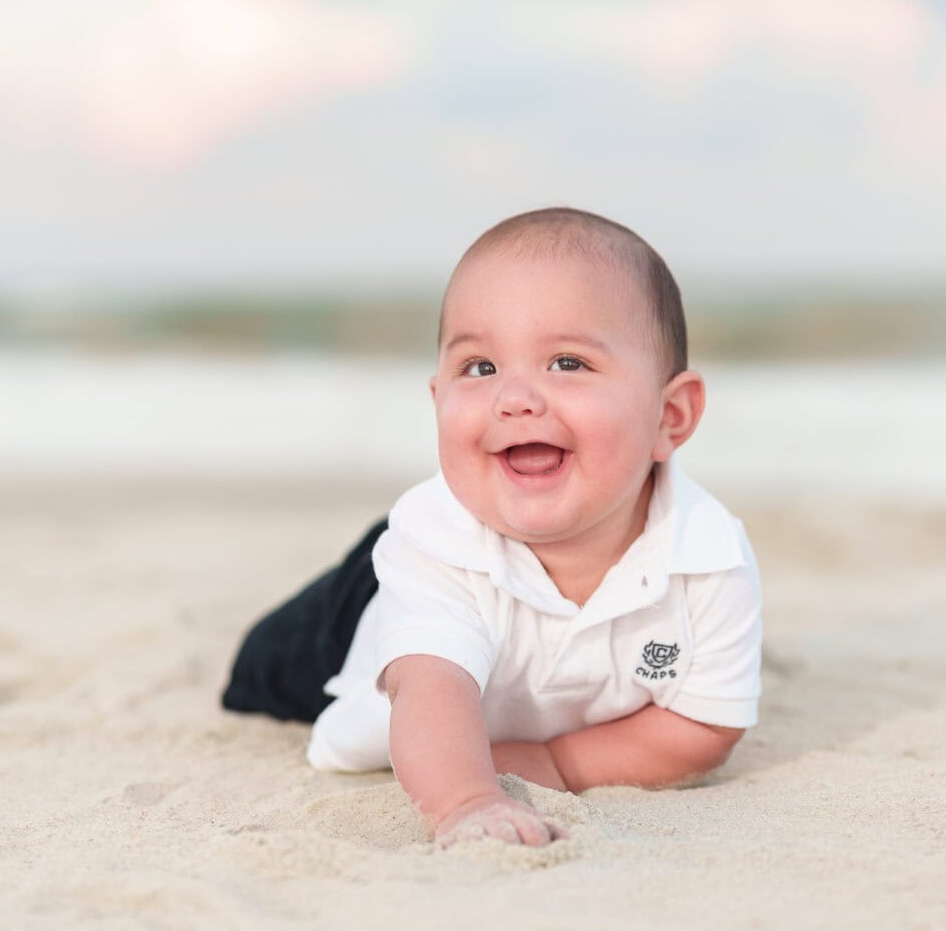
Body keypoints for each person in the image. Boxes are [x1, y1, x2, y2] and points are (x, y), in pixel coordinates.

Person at [222, 207, 762, 848]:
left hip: (501, 647)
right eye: (480, 368)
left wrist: (558, 762)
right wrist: (468, 801)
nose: (515, 397)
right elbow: (433, 693)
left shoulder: (708, 557)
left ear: (670, 416)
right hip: (359, 622)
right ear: (438, 402)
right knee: (257, 671)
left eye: (567, 363)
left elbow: (704, 728)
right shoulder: (437, 553)